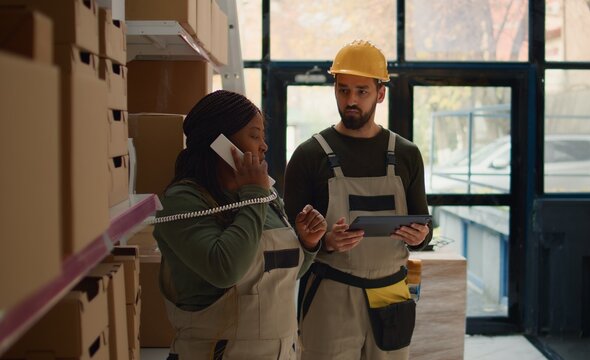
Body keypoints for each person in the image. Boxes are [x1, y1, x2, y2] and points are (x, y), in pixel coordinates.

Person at [283, 40, 432, 359]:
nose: (351, 100)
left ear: (380, 93)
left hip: (391, 294)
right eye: (343, 89)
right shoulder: (309, 155)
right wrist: (323, 243)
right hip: (331, 292)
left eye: (361, 91)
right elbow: (287, 240)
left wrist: (421, 236)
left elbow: (422, 223)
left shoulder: (406, 154)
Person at [153, 90, 326, 359]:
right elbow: (226, 269)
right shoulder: (184, 200)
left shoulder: (265, 198)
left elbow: (279, 275)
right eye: (254, 135)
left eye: (263, 137)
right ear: (220, 141)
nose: (264, 146)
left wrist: (307, 243)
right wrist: (253, 194)